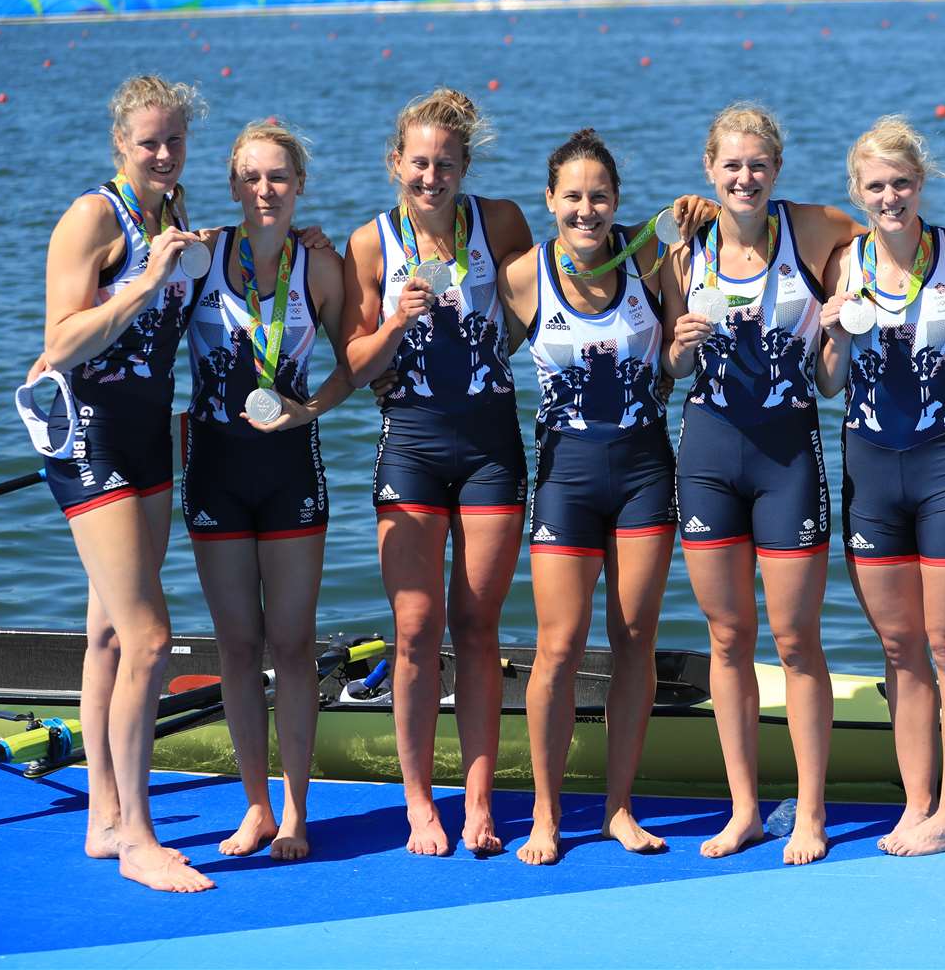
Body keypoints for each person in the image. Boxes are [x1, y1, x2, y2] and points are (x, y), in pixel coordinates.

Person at [496, 128, 704, 865]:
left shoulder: (649, 256)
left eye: (600, 196)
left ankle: (619, 807)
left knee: (633, 642)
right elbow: (479, 366)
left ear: (618, 201)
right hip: (566, 481)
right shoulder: (522, 276)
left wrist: (688, 336)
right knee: (557, 647)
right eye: (573, 197)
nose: (587, 210)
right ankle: (546, 816)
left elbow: (676, 360)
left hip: (646, 473)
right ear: (550, 201)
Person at [662, 104, 861, 866]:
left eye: (758, 166)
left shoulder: (812, 232)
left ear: (776, 171)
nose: (744, 178)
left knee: (796, 640)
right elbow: (671, 370)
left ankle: (810, 811)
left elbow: (892, 229)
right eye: (731, 167)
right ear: (709, 171)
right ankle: (744, 807)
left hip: (788, 458)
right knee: (727, 636)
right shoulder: (684, 248)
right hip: (709, 454)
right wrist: (679, 349)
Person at [34, 75, 215, 892]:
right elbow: (60, 345)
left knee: (109, 633)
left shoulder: (173, 215)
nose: (165, 154)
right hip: (90, 433)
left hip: (150, 437)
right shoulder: (94, 217)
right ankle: (141, 839)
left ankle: (103, 820)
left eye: (175, 139)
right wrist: (143, 283)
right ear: (121, 144)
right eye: (150, 142)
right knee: (148, 639)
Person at [341, 88, 532, 857]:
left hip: (490, 445)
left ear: (464, 167)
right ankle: (421, 802)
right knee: (416, 630)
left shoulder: (503, 222)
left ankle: (478, 799)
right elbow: (355, 366)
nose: (431, 176)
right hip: (412, 446)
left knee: (478, 628)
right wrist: (395, 322)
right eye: (419, 163)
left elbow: (549, 298)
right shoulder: (368, 243)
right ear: (397, 163)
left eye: (445, 163)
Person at [814, 117, 945, 856]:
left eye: (901, 182)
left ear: (920, 183)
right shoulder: (844, 265)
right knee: (900, 649)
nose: (889, 196)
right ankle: (918, 803)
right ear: (857, 193)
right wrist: (834, 335)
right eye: (875, 186)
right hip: (869, 466)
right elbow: (829, 383)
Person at [181, 121, 352, 861]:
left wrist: (308, 411)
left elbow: (357, 362)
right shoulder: (199, 258)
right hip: (215, 469)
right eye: (251, 177)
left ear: (300, 185)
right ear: (231, 186)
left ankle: (295, 814)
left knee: (292, 642)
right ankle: (253, 806)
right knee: (238, 646)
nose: (264, 190)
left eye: (278, 177)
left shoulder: (321, 267)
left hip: (290, 472)